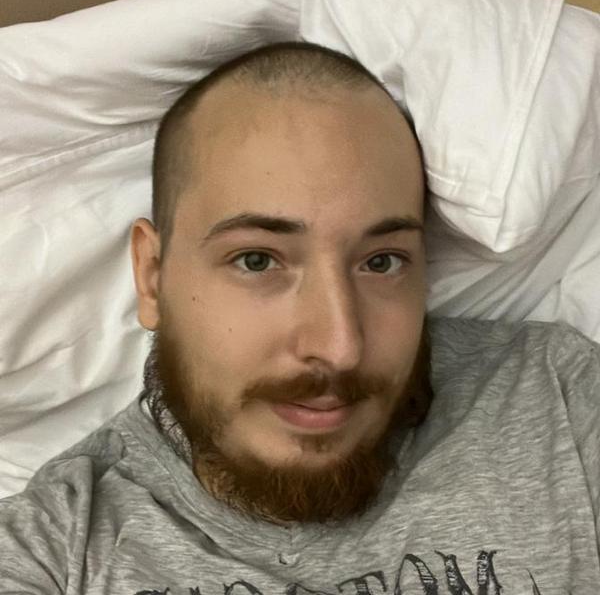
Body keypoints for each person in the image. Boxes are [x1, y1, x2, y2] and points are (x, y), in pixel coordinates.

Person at [0, 41, 598, 595]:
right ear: (153, 275)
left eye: (381, 262)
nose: (340, 346)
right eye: (257, 260)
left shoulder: (557, 398)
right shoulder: (59, 548)